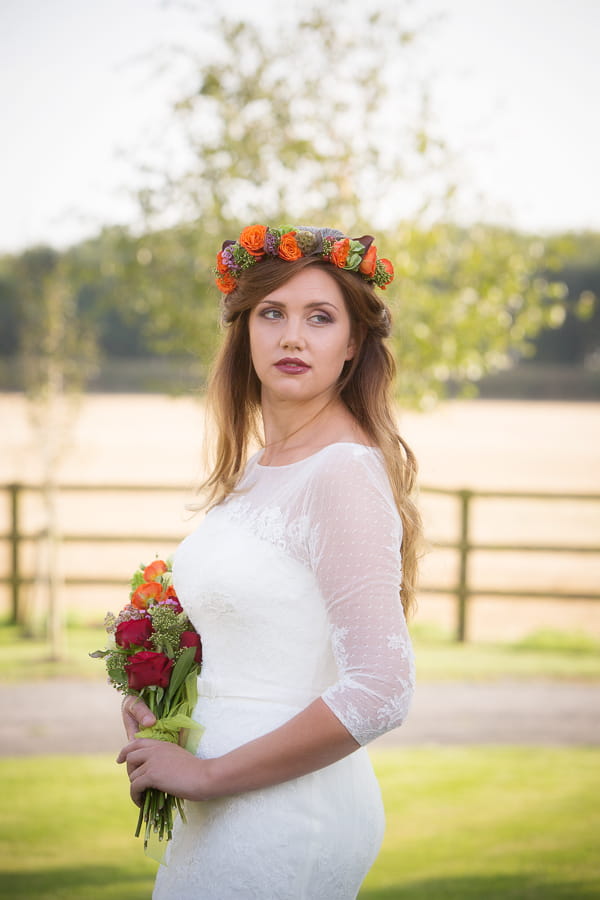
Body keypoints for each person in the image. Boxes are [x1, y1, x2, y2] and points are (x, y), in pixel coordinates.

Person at [118, 224, 422, 899]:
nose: (292, 336)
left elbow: (382, 689)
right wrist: (157, 698)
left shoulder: (341, 472)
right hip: (222, 807)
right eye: (272, 313)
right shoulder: (259, 470)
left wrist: (208, 774)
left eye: (320, 317)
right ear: (245, 332)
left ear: (352, 344)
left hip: (285, 812)